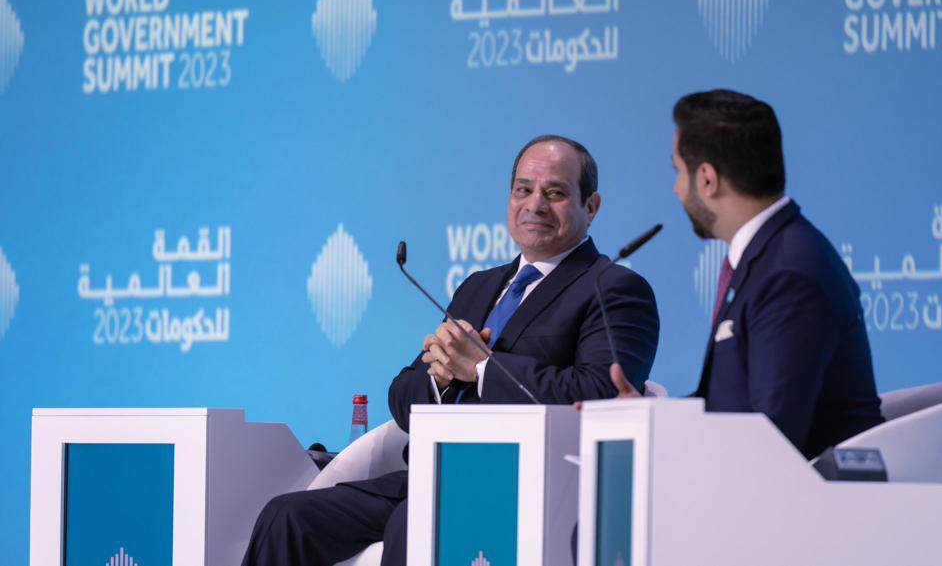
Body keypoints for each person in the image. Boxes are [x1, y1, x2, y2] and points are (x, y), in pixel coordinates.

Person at [242, 135, 659, 566]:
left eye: (554, 193)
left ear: (590, 207)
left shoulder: (614, 288)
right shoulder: (479, 286)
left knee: (416, 525)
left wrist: (483, 369)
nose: (535, 204)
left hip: (526, 484)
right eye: (523, 189)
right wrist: (439, 379)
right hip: (430, 476)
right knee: (286, 517)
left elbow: (599, 396)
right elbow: (403, 392)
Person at [611, 89, 883, 459]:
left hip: (799, 490)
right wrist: (650, 417)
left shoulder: (789, 274)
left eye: (678, 171)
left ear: (707, 179)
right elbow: (730, 407)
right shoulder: (771, 255)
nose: (676, 189)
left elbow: (771, 437)